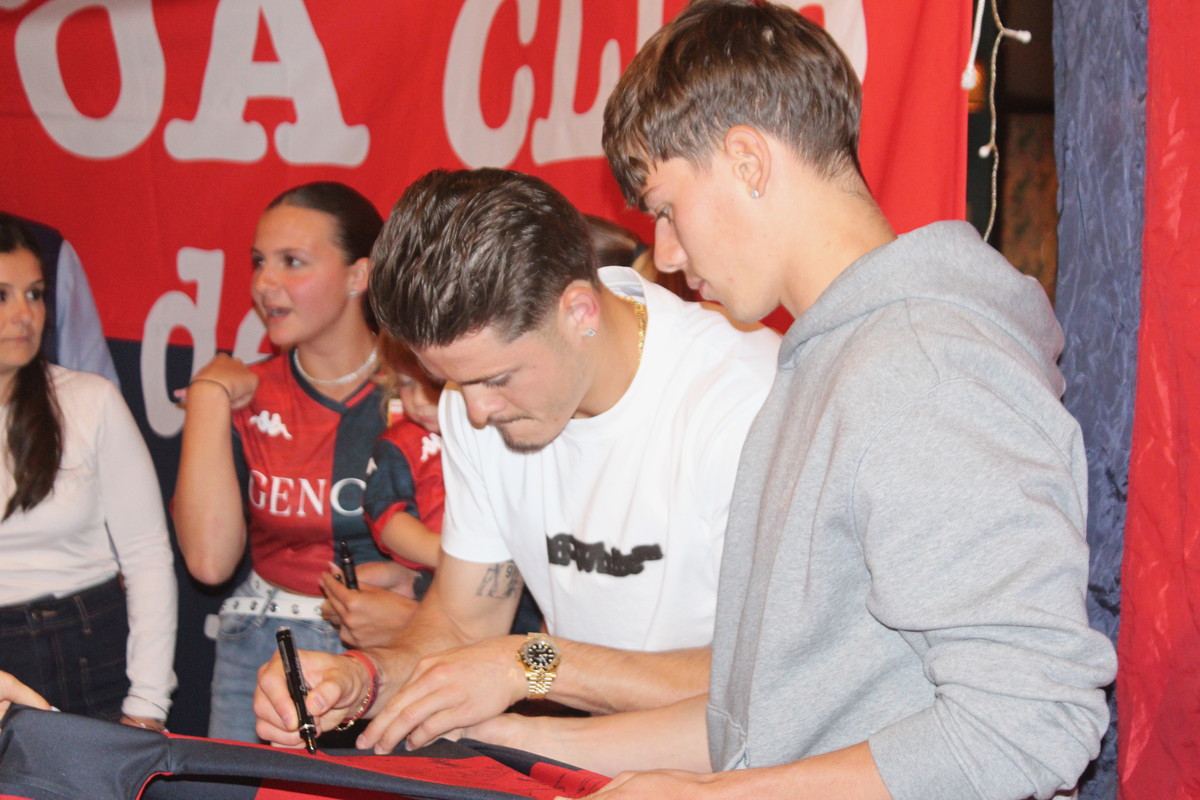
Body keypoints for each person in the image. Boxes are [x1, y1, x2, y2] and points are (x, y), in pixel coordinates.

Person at [460, 1, 1117, 797]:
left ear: (747, 160)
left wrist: (706, 794)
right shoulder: (826, 365)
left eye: (667, 208)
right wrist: (513, 740)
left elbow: (1029, 720)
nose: (666, 253)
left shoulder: (923, 370)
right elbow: (762, 724)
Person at [253, 167, 780, 753]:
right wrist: (363, 678)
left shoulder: (746, 400)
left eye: (497, 378)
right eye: (453, 381)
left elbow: (769, 679)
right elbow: (462, 622)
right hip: (582, 752)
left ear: (580, 312)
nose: (477, 413)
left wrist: (530, 663)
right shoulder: (471, 402)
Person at [173, 181, 397, 742]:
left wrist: (415, 597)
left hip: (387, 655)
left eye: (291, 262)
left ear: (359, 275)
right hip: (259, 648)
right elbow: (208, 563)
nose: (263, 284)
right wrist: (207, 396)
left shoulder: (421, 394)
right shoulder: (240, 390)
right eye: (259, 262)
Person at [0, 213, 176, 732]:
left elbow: (147, 555)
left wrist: (147, 703)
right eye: (1, 296)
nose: (25, 315)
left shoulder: (91, 400)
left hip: (91, 650)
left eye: (35, 294)